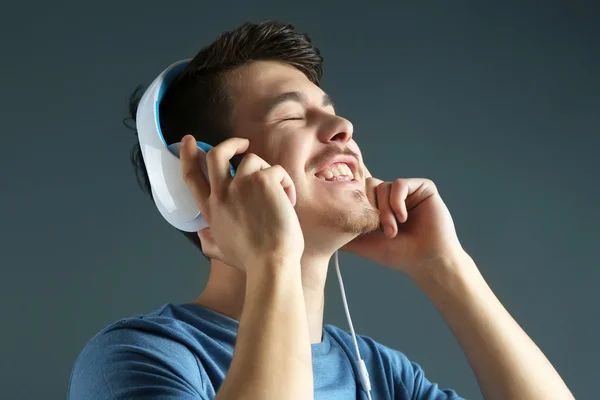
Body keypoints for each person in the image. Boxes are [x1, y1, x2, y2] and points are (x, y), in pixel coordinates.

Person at [68, 21, 574, 400]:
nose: (343, 127)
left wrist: (443, 266)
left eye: (330, 111)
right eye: (291, 115)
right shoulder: (138, 358)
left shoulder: (379, 374)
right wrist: (273, 258)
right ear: (209, 178)